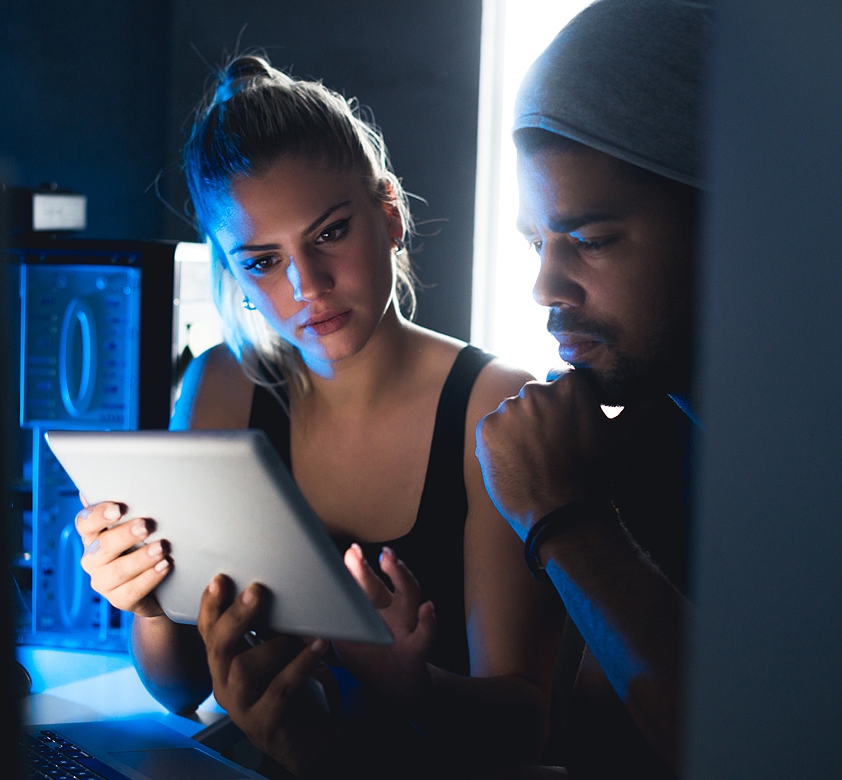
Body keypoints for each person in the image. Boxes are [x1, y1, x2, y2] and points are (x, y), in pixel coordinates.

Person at [75, 53, 562, 779]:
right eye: (264, 261)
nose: (308, 286)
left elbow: (527, 728)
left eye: (329, 233)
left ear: (390, 214)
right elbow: (181, 691)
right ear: (233, 273)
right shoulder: (219, 387)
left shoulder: (492, 405)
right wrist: (145, 603)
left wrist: (414, 688)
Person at [474, 1, 713, 778]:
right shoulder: (635, 429)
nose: (545, 284)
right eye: (536, 241)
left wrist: (565, 520)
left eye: (591, 240)